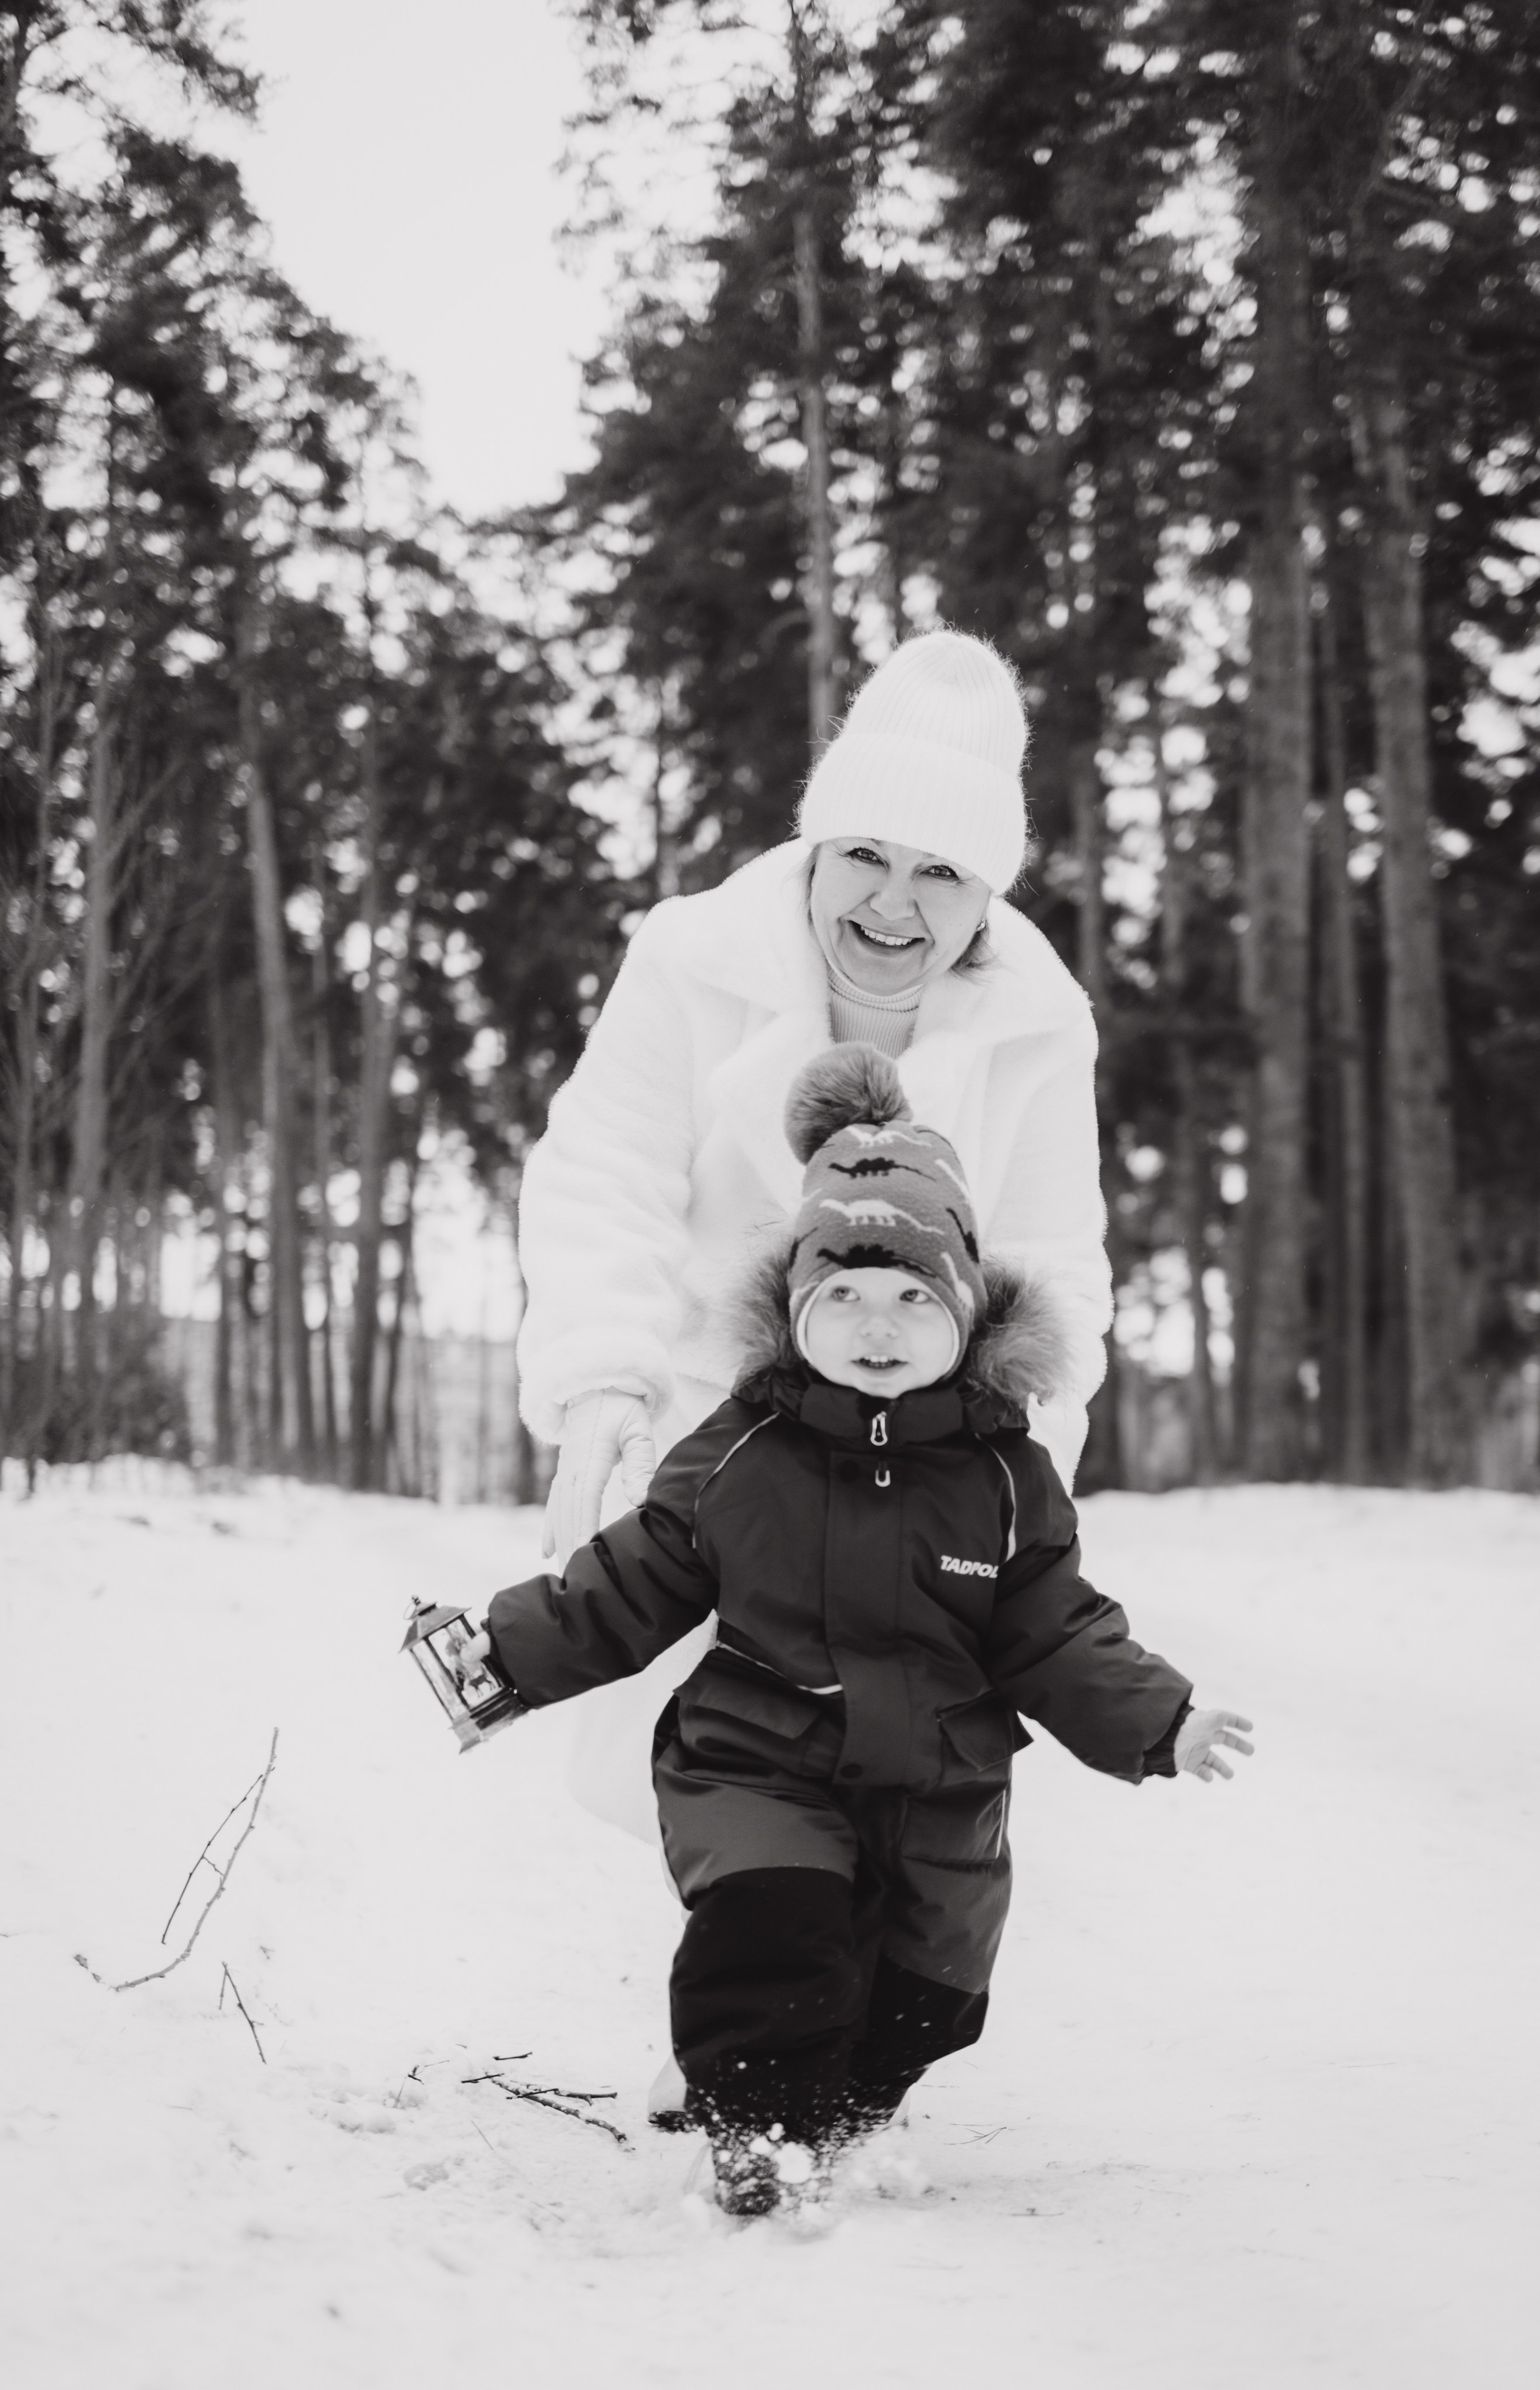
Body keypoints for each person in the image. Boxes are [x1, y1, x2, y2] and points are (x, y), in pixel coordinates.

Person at [474, 1047, 1254, 2218]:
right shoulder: (742, 1453)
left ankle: (838, 2105)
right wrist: (504, 1653)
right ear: (796, 1315)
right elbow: (634, 1578)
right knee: (770, 1926)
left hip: (938, 1785)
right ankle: (763, 2131)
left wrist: (1162, 1718)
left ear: (967, 1314)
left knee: (927, 1998)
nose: (875, 1325)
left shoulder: (1003, 1476)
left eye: (910, 1299)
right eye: (841, 1295)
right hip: (758, 1755)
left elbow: (1054, 1627)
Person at [515, 627, 1114, 1846]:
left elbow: (1051, 1263)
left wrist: (1019, 1474)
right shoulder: (693, 958)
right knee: (683, 1759)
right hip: (700, 1422)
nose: (891, 904)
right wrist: (597, 1395)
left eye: (939, 873)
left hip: (915, 1445)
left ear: (986, 890)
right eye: (864, 857)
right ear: (815, 846)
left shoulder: (1037, 1026)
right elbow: (602, 1173)